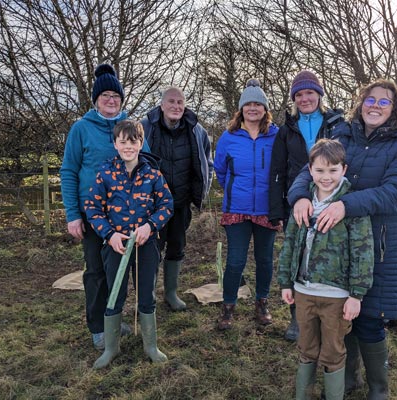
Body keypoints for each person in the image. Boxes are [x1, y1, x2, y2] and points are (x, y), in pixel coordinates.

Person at [288, 79, 397, 399]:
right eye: (371, 100)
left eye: (384, 102)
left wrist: (344, 205)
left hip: (377, 245)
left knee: (369, 318)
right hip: (336, 246)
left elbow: (396, 193)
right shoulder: (342, 134)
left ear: (394, 109)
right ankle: (348, 379)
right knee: (342, 314)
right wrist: (299, 197)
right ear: (361, 102)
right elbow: (309, 170)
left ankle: (379, 387)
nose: (375, 106)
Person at [277, 139, 374, 400]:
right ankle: (303, 394)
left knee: (332, 350)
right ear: (310, 170)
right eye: (320, 171)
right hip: (304, 291)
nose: (326, 177)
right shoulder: (302, 202)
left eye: (332, 170)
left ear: (344, 169)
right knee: (306, 346)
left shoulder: (352, 206)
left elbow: (363, 252)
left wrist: (356, 294)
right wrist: (286, 282)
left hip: (337, 296)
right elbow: (289, 244)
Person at [61, 63, 145, 350]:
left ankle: (113, 319)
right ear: (96, 99)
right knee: (95, 271)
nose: (111, 100)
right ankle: (98, 326)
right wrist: (73, 215)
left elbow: (143, 167)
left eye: (116, 96)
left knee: (117, 272)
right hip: (92, 214)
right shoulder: (81, 129)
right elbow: (69, 171)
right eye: (106, 95)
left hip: (125, 215)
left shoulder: (131, 128)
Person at [84, 120, 173, 368]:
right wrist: (109, 235)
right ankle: (111, 348)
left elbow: (167, 205)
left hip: (146, 245)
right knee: (115, 294)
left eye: (133, 141)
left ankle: (151, 346)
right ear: (115, 144)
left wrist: (150, 226)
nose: (128, 146)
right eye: (122, 141)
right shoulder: (105, 174)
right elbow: (92, 208)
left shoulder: (153, 174)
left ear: (140, 143)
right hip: (116, 246)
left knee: (147, 293)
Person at [269, 70, 345, 342]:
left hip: (331, 200)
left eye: (309, 93)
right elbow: (277, 171)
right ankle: (297, 318)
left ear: (319, 95)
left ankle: (329, 314)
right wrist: (277, 210)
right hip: (297, 201)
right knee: (297, 256)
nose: (304, 99)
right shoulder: (286, 131)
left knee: (328, 257)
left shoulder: (336, 124)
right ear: (293, 99)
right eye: (298, 95)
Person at [213, 79, 280, 330]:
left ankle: (262, 302)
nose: (253, 108)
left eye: (258, 104)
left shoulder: (276, 135)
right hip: (237, 209)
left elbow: (281, 169)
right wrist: (234, 190)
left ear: (265, 109)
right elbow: (220, 171)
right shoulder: (228, 137)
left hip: (266, 209)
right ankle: (228, 306)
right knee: (235, 260)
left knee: (264, 260)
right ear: (241, 109)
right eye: (248, 104)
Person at [141, 87, 213, 311]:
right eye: (171, 102)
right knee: (151, 250)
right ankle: (148, 295)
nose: (176, 106)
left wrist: (202, 190)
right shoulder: (146, 127)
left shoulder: (196, 129)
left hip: (180, 203)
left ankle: (171, 293)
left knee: (177, 247)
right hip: (151, 205)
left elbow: (207, 162)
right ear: (161, 105)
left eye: (180, 102)